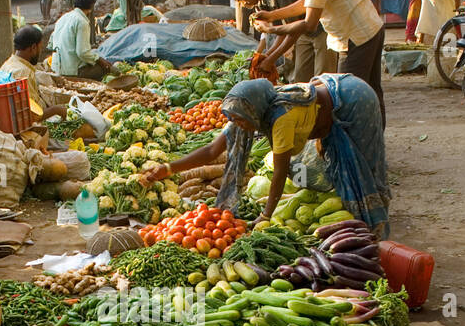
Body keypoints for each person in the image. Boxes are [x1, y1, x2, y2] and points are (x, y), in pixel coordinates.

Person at [140, 76, 389, 234]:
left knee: (361, 165)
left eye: (239, 119)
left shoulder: (281, 118)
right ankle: (354, 216)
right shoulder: (249, 110)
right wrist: (168, 168)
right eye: (233, 118)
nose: (238, 124)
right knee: (338, 166)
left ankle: (374, 220)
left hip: (355, 100)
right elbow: (211, 150)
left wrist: (265, 215)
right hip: (331, 95)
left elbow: (279, 172)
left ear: (253, 110)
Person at [253, 0, 387, 125]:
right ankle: (374, 146)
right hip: (371, 28)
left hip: (356, 38)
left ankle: (359, 149)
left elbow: (309, 23)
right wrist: (272, 15)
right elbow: (309, 0)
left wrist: (271, 29)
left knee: (345, 100)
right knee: (371, 91)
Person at [0, 26, 68, 120]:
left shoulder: (11, 62)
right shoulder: (22, 72)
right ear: (33, 47)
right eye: (40, 48)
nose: (40, 52)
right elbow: (32, 114)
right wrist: (56, 110)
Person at [49, 0, 114, 79]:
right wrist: (100, 60)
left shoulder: (63, 18)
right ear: (91, 6)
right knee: (104, 69)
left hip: (56, 69)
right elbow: (82, 53)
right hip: (71, 72)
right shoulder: (81, 22)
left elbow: (51, 44)